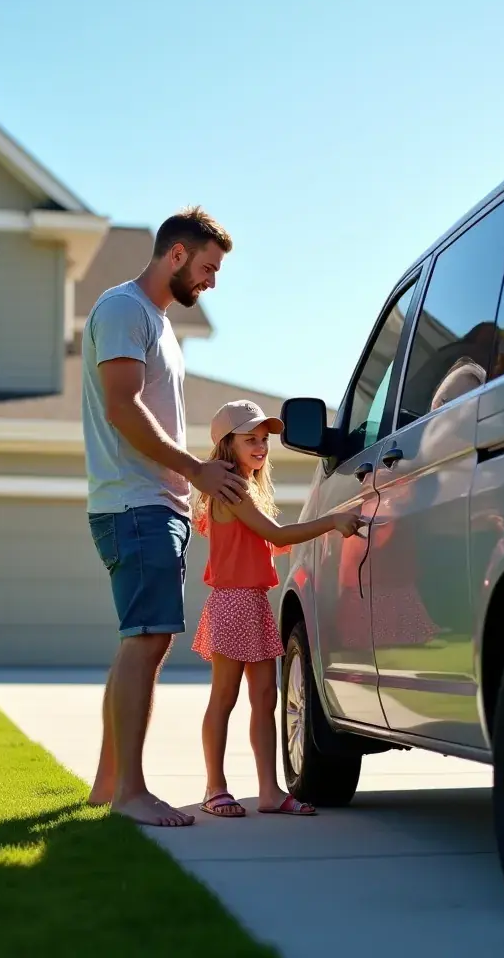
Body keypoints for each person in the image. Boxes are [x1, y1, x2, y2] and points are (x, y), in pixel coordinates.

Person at [83, 206, 248, 829]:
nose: (210, 282)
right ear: (175, 254)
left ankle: (108, 786)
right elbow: (124, 410)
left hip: (153, 502)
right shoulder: (125, 309)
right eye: (206, 268)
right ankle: (131, 790)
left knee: (141, 642)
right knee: (147, 641)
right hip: (136, 501)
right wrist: (198, 472)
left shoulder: (155, 322)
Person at [192, 400, 365, 817]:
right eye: (250, 438)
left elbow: (276, 542)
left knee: (266, 698)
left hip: (253, 602)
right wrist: (333, 519)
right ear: (225, 445)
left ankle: (268, 791)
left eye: (264, 439)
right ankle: (215, 788)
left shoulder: (249, 490)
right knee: (224, 698)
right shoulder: (231, 489)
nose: (261, 446)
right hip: (233, 603)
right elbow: (275, 532)